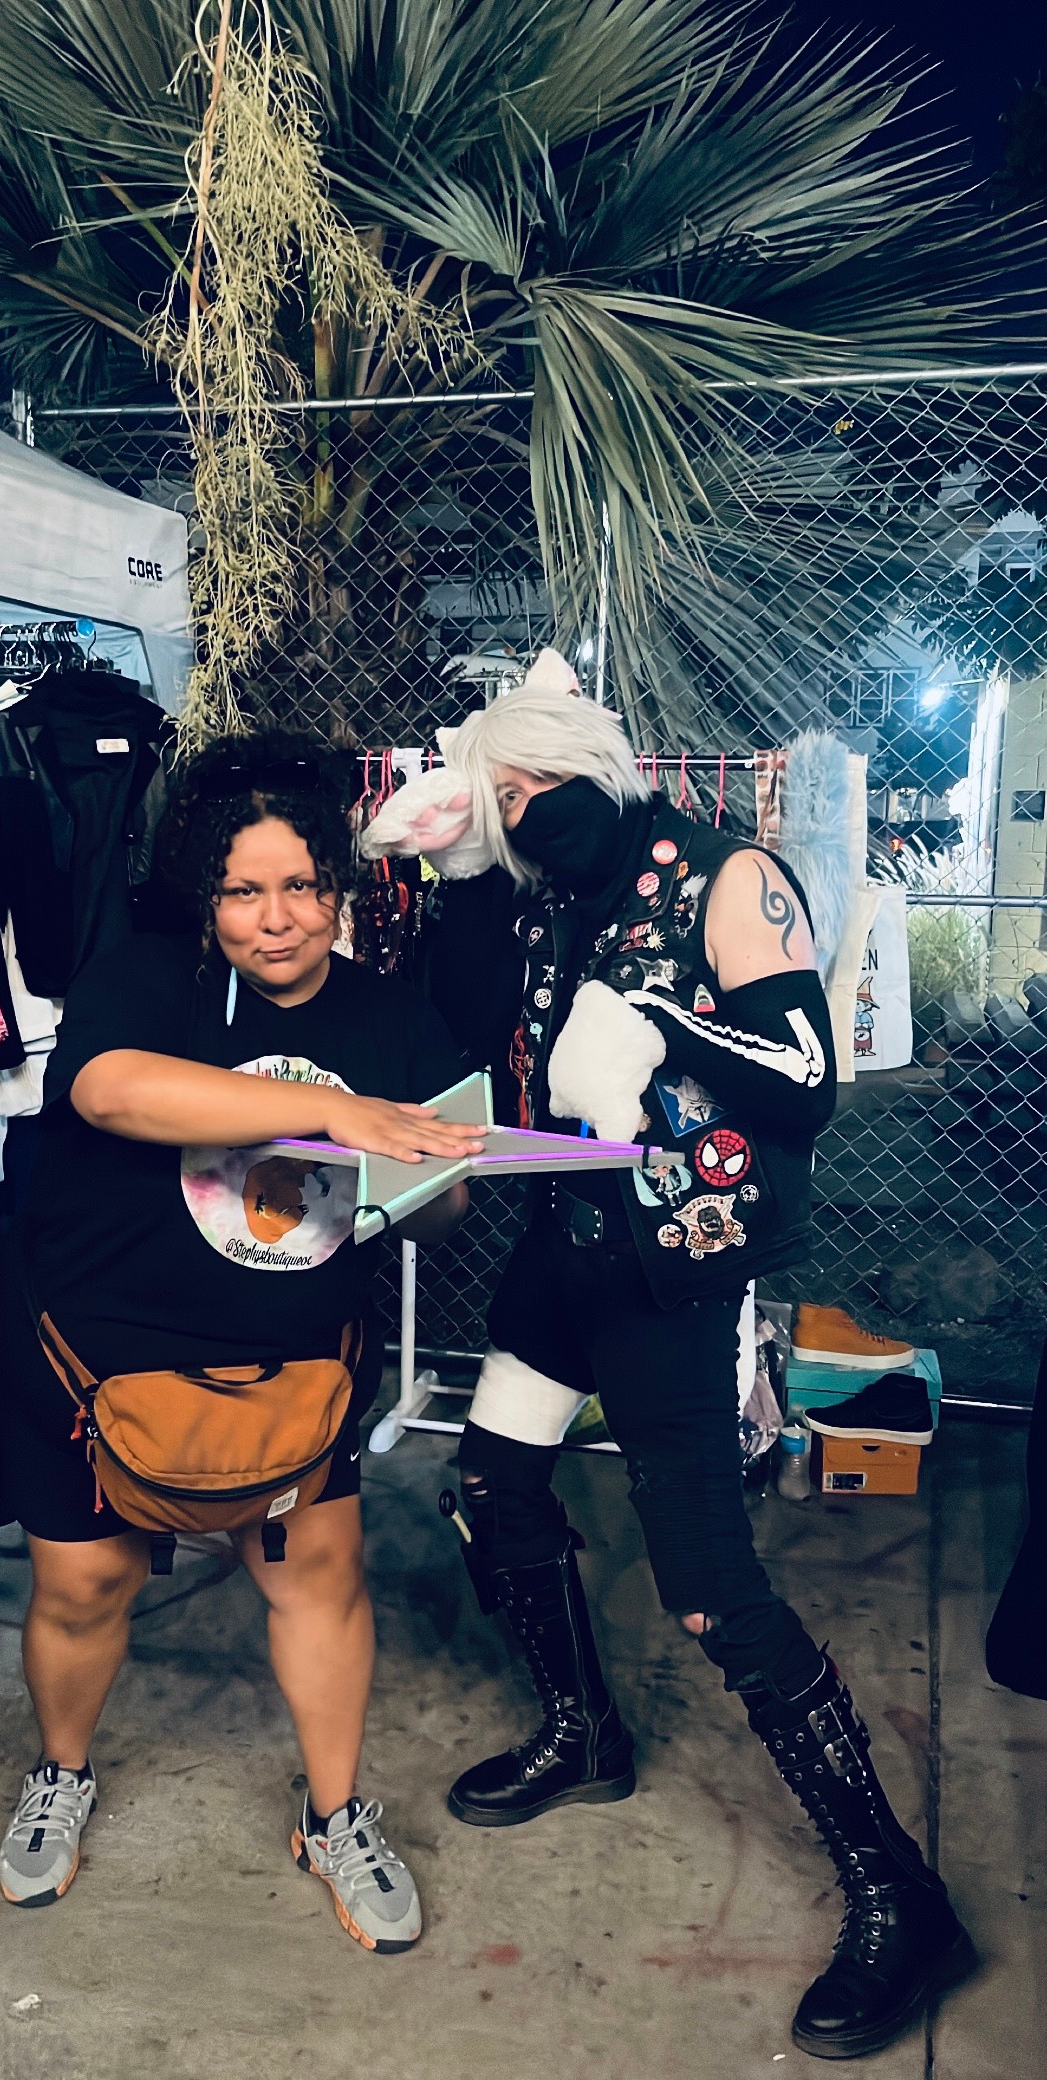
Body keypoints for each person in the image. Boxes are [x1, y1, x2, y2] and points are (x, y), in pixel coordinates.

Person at [370, 663, 973, 2058]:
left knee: (708, 1586)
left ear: (589, 767)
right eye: (501, 798)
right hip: (562, 1245)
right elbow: (469, 1021)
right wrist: (461, 874)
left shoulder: (728, 878)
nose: (521, 814)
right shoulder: (542, 891)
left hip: (674, 1271)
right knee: (491, 1486)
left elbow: (809, 1079)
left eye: (527, 791)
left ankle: (902, 1894)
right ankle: (581, 1730)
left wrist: (660, 1027)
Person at [0, 728, 477, 1953]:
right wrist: (333, 1111)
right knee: (86, 1581)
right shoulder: (147, 975)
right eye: (243, 890)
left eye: (301, 885)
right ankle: (61, 1771)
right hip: (99, 1350)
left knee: (317, 1576)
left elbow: (443, 1206)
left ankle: (335, 1815)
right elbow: (107, 1089)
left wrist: (434, 1170)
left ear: (338, 887)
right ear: (203, 894)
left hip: (294, 1361)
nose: (277, 919)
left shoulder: (393, 1017)